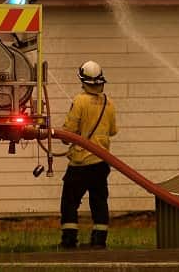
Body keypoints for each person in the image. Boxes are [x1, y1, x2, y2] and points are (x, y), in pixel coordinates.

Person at [59, 61, 118, 249]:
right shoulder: (109, 103)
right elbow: (113, 131)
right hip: (101, 162)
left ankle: (69, 240)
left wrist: (65, 136)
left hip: (80, 162)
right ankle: (99, 240)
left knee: (69, 201)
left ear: (83, 81)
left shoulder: (79, 101)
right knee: (99, 201)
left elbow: (68, 131)